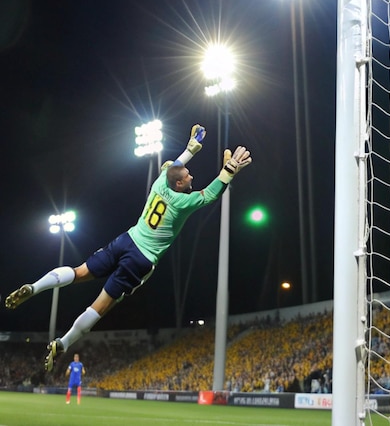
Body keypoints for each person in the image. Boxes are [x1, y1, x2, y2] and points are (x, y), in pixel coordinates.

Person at [4, 124, 252, 372]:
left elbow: (173, 167)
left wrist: (190, 150)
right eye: (188, 176)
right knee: (100, 306)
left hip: (126, 240)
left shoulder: (160, 183)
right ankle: (63, 343)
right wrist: (229, 171)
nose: (192, 177)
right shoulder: (182, 201)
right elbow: (210, 195)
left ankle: (35, 287)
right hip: (141, 260)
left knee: (79, 272)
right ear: (178, 185)